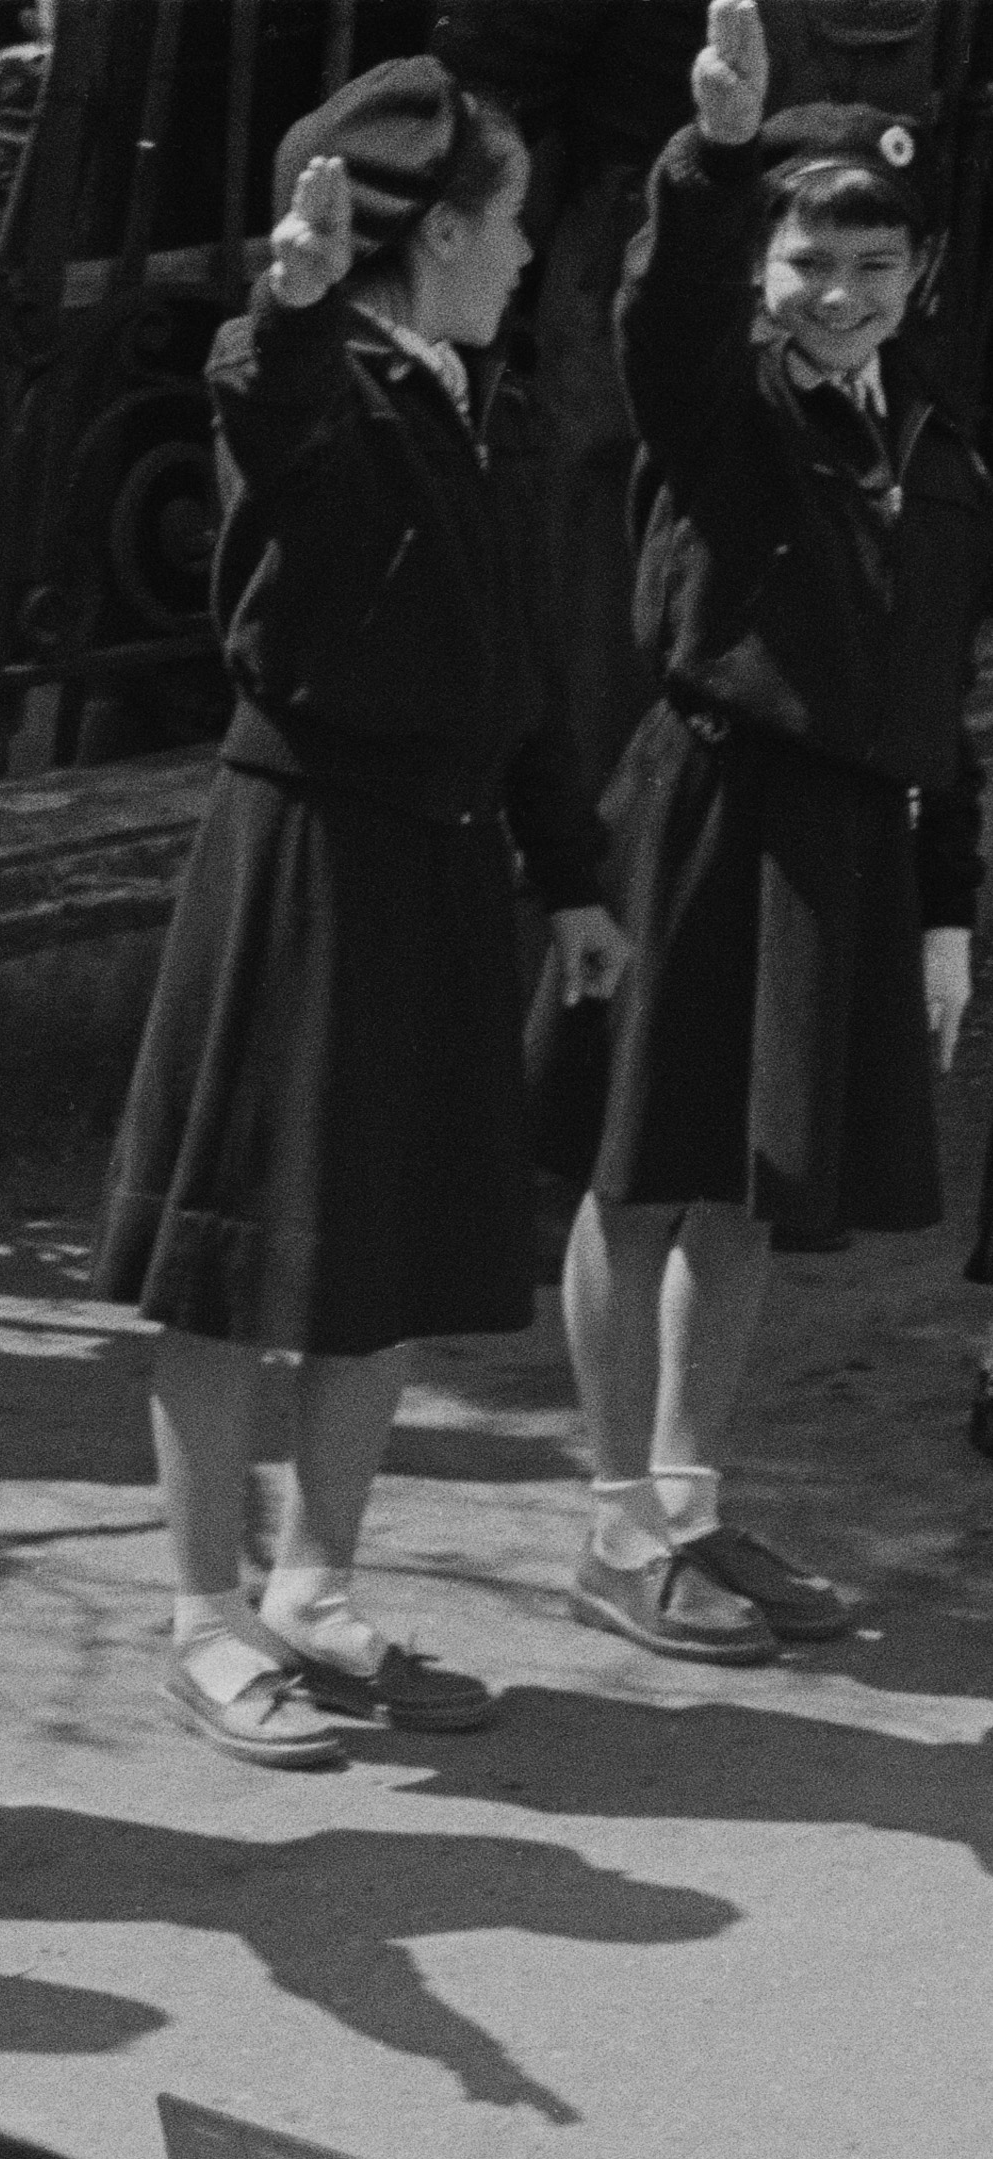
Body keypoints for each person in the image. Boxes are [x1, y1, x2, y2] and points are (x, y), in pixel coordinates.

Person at [93, 66, 630, 1768]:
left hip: (434, 860)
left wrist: (568, 874)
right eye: (511, 216)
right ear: (444, 230)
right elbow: (265, 399)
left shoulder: (469, 396)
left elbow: (516, 664)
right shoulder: (322, 381)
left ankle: (314, 1581)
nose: (529, 249)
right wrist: (290, 300)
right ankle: (199, 1609)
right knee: (236, 1249)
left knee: (373, 1242)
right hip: (308, 854)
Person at [537, 11, 981, 1660]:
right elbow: (655, 311)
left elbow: (947, 702)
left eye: (869, 263)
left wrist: (941, 912)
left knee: (740, 1190)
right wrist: (711, 157)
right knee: (641, 1170)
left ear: (917, 278)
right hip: (697, 812)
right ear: (761, 266)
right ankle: (606, 1523)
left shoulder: (935, 459)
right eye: (805, 259)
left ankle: (684, 1500)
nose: (834, 291)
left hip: (842, 843)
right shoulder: (714, 404)